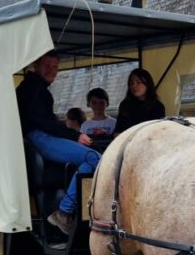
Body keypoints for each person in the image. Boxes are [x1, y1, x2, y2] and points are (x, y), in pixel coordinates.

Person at [16, 51, 99, 235]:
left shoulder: (35, 87)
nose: (51, 71)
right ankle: (64, 211)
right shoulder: (33, 88)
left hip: (40, 135)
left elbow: (46, 120)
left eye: (55, 67)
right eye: (47, 66)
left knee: (90, 158)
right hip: (39, 137)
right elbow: (41, 122)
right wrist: (73, 135)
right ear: (36, 65)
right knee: (94, 158)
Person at [112, 68, 165, 135]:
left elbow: (158, 131)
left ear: (147, 84)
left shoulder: (157, 106)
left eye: (138, 82)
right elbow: (118, 129)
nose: (134, 86)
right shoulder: (125, 105)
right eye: (131, 83)